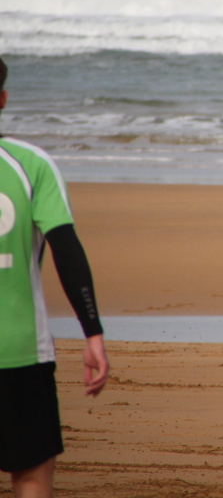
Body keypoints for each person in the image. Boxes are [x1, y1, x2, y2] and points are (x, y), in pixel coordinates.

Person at [0, 56, 110, 497]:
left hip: (21, 353)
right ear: (2, 99)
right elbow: (66, 249)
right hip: (19, 351)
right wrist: (93, 332)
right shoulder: (31, 165)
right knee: (30, 475)